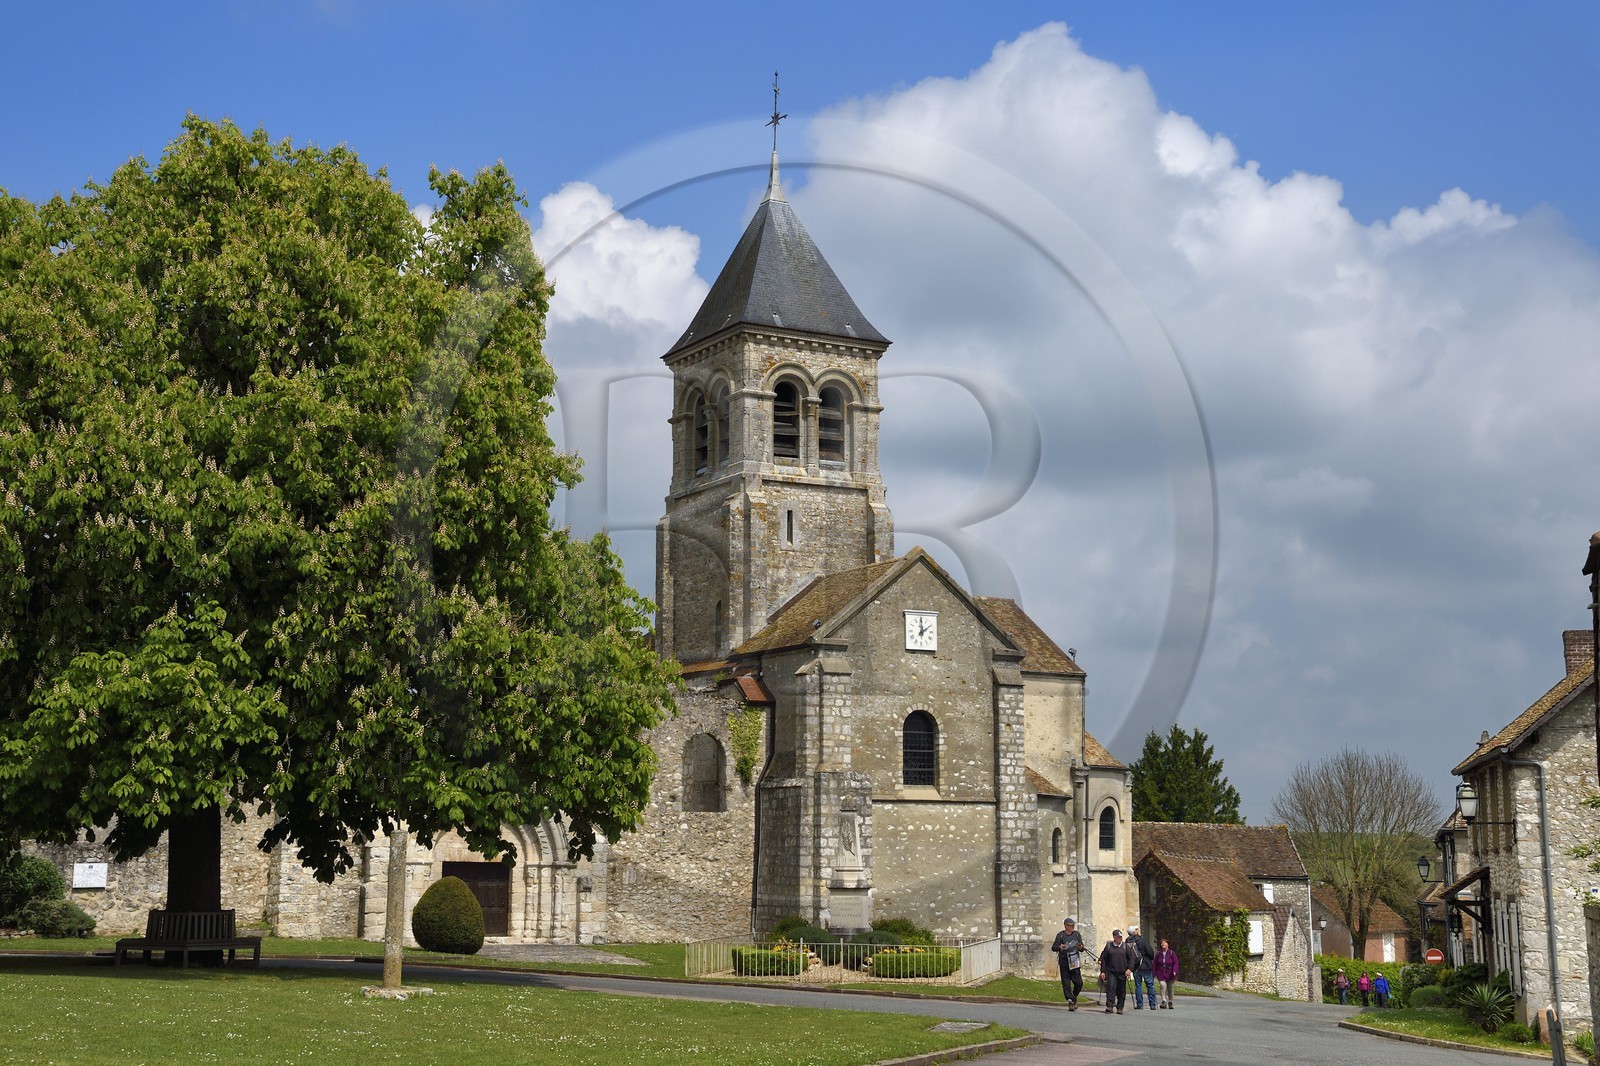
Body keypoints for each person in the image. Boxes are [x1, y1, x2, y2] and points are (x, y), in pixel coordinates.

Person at [1050, 917, 1089, 1011]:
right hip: (1064, 961)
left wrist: (1080, 947)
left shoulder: (1076, 934)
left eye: (1073, 926)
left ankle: (1074, 995)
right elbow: (1054, 947)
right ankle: (1070, 1000)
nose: (1072, 927)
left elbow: (1081, 947)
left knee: (1079, 982)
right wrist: (1060, 947)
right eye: (1070, 926)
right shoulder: (1060, 935)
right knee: (1066, 982)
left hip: (1074, 961)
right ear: (1065, 926)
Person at [1098, 928, 1136, 1014]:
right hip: (1111, 972)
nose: (1120, 939)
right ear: (1114, 937)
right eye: (1118, 937)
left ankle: (1120, 1007)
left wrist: (1129, 969)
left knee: (1121, 990)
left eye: (1121, 937)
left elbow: (1131, 959)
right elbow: (1104, 959)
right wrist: (1103, 971)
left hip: (1122, 972)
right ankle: (1109, 1006)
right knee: (1111, 988)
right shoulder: (1108, 946)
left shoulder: (1125, 947)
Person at [1127, 925, 1157, 1010]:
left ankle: (1140, 1004)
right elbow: (1150, 952)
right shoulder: (1141, 940)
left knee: (1138, 986)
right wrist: (1150, 958)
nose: (1138, 930)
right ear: (1134, 932)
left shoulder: (1127, 941)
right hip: (1145, 965)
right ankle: (1152, 1004)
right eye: (1136, 929)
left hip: (1135, 966)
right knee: (1150, 985)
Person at [1152, 938, 1180, 1009]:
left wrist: (1175, 971)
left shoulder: (1171, 953)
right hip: (1161, 972)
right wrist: (1154, 973)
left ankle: (1170, 1001)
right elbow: (1155, 963)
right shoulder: (1158, 953)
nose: (1163, 944)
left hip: (1170, 973)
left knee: (1170, 988)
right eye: (1162, 943)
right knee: (1162, 985)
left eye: (1164, 943)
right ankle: (1164, 1001)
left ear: (1168, 944)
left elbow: (1176, 963)